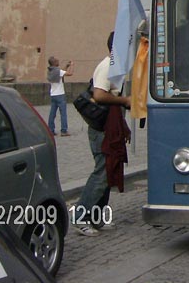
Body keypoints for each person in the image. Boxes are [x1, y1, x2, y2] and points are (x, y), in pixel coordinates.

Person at [73, 32, 131, 236]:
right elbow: (99, 95)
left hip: (110, 126)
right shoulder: (107, 66)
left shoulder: (115, 68)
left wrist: (124, 126)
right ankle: (81, 216)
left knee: (108, 171)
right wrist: (124, 101)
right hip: (101, 129)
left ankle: (96, 217)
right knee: (102, 172)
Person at [46, 56, 73, 136]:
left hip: (53, 94)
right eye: (57, 61)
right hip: (60, 94)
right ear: (54, 63)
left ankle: (50, 130)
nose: (58, 61)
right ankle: (64, 130)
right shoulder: (58, 71)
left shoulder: (50, 71)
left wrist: (67, 66)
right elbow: (70, 73)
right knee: (63, 113)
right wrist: (72, 66)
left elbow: (61, 72)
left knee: (52, 113)